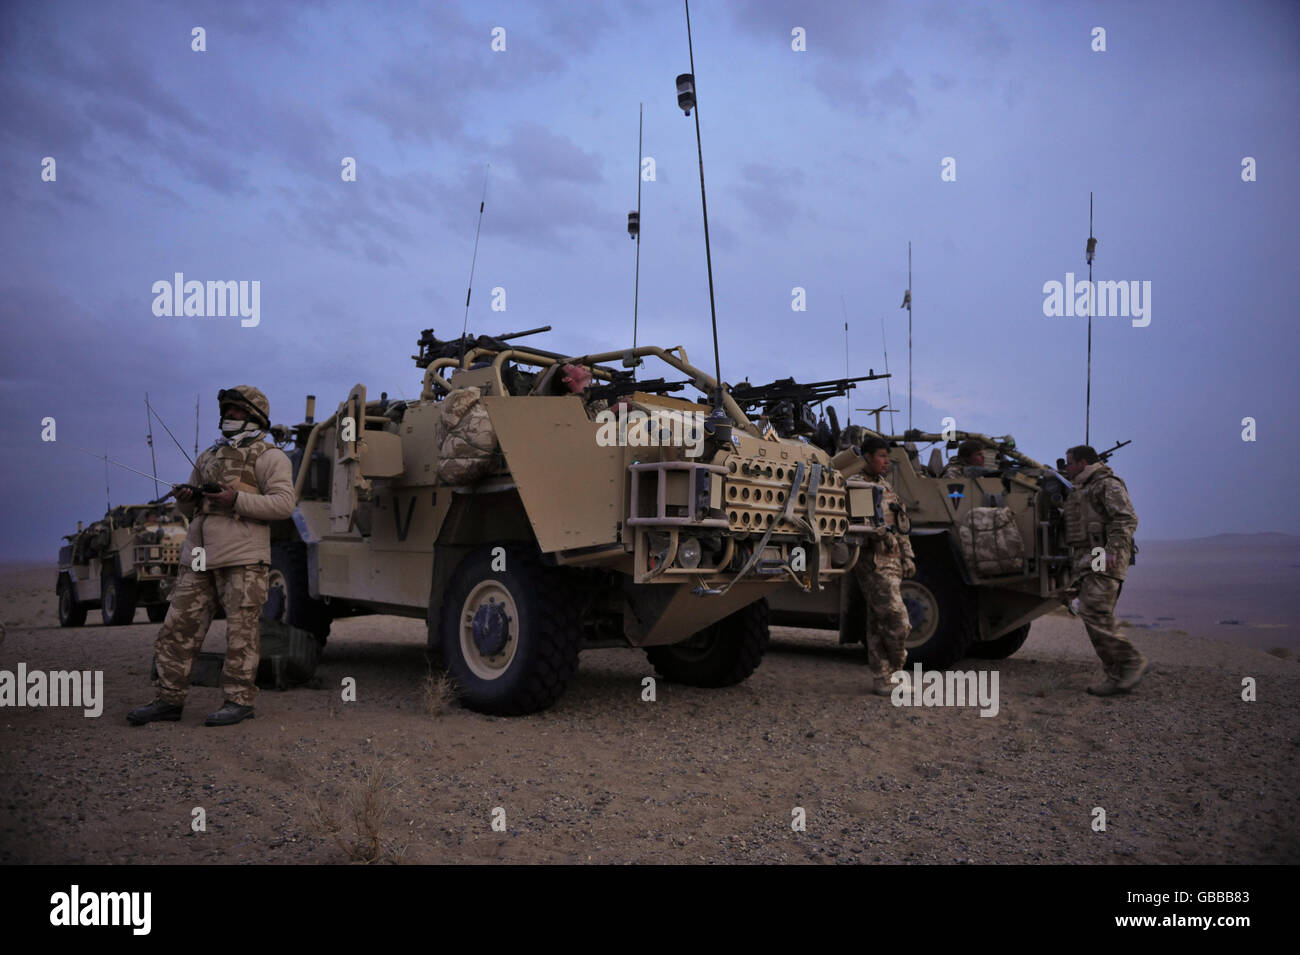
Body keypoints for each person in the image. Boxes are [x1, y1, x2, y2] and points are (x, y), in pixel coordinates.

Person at [127, 386, 295, 727]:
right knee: (178, 628)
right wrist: (187, 496)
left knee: (241, 634)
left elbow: (283, 504)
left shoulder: (271, 456)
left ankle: (239, 701)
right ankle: (168, 699)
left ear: (254, 415)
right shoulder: (207, 456)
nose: (228, 416)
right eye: (226, 410)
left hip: (244, 558)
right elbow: (188, 508)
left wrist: (235, 500)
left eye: (235, 410)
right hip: (199, 557)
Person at [1063, 444, 1146, 696]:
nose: (1067, 468)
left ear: (1083, 463)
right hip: (1090, 559)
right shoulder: (1085, 488)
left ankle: (1131, 661)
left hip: (1104, 557)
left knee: (1094, 612)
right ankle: (1117, 676)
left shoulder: (1106, 484)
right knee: (1092, 615)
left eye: (1070, 463)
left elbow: (1126, 519)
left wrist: (1112, 550)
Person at [853, 437, 917, 696]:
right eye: (881, 456)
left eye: (887, 457)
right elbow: (862, 524)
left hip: (893, 562)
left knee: (878, 622)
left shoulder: (885, 486)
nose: (886, 461)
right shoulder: (856, 485)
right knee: (898, 620)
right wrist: (882, 536)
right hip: (873, 561)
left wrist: (907, 556)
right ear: (867, 457)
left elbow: (901, 525)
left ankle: (883, 677)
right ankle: (897, 670)